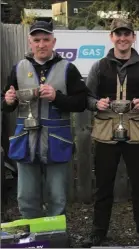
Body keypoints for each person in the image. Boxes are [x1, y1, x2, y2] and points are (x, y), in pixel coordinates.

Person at [83, 19, 139, 247]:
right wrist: (96, 104)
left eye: (127, 34)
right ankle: (98, 232)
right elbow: (87, 97)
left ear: (133, 37)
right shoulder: (99, 66)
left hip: (136, 131)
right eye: (118, 34)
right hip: (106, 131)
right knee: (103, 185)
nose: (122, 38)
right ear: (111, 37)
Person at [1, 21, 88, 218]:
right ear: (30, 42)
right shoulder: (18, 68)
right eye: (37, 40)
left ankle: (56, 238)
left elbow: (82, 102)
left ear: (53, 41)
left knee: (58, 197)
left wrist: (57, 97)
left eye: (46, 40)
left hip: (56, 141)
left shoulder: (68, 69)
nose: (41, 44)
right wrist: (7, 100)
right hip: (26, 141)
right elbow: (6, 102)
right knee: (26, 197)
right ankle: (33, 240)